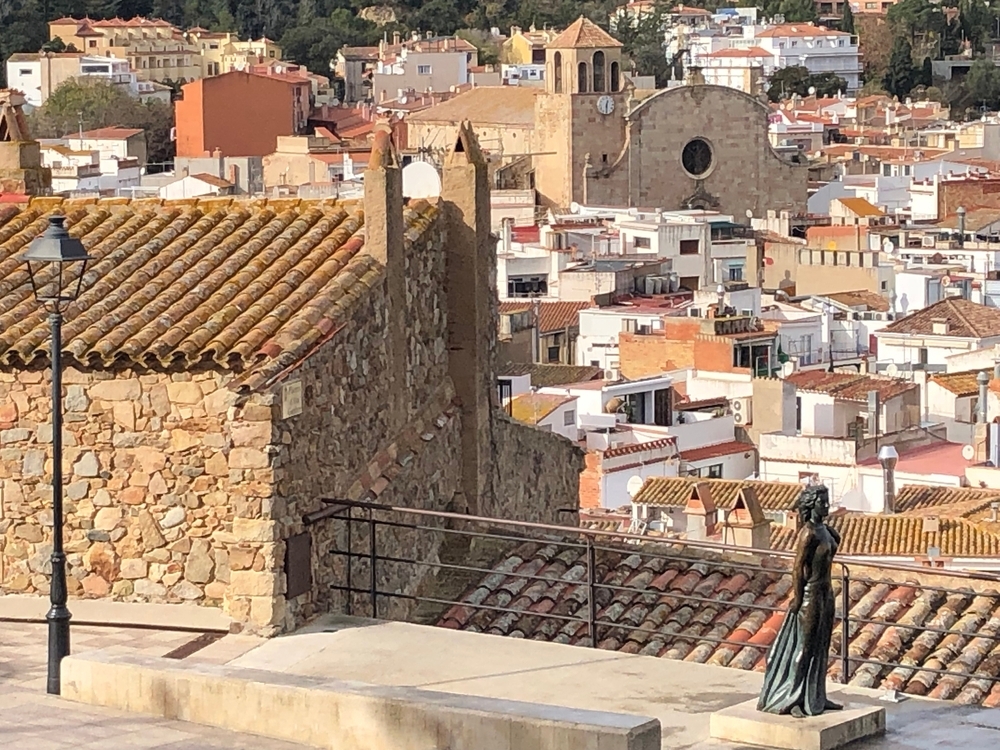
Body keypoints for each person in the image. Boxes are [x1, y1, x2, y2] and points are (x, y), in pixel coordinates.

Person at [757, 483, 843, 717]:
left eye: (827, 501)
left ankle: (815, 696)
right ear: (811, 504)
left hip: (826, 592)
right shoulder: (809, 533)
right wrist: (797, 596)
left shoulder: (825, 530)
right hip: (811, 594)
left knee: (821, 647)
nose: (826, 505)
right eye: (822, 501)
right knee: (804, 648)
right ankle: (792, 697)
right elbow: (797, 568)